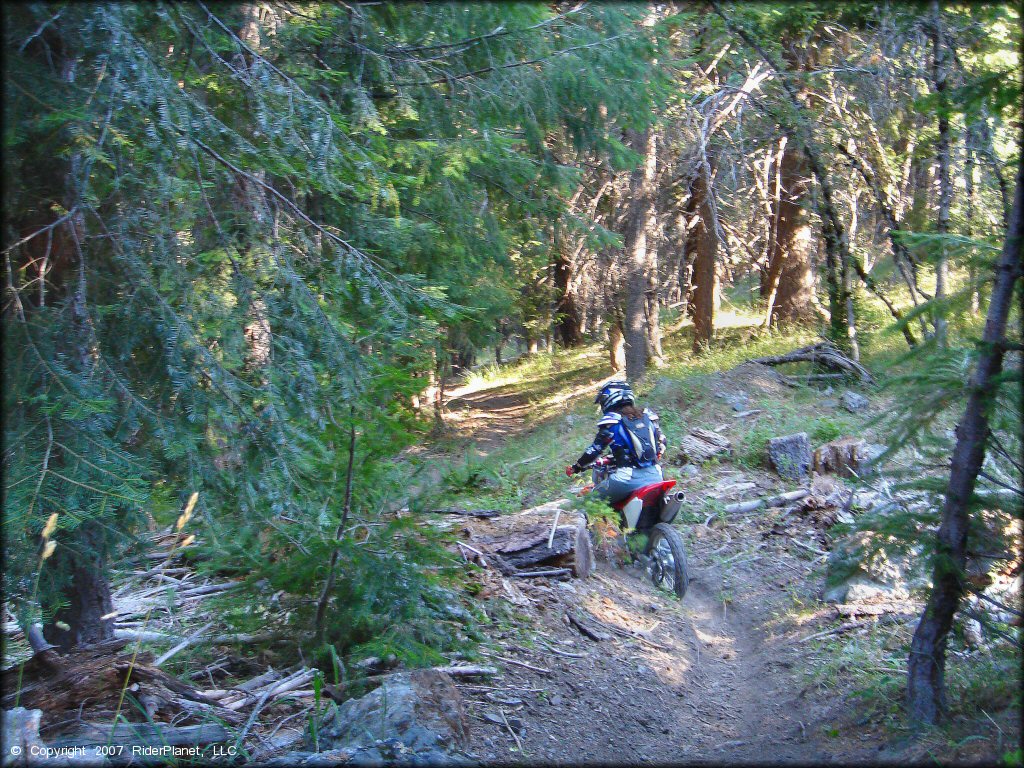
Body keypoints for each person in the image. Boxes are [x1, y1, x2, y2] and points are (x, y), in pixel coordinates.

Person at [565, 381, 667, 504]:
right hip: (656, 475)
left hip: (627, 479)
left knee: (589, 501)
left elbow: (594, 450)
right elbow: (662, 442)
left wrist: (577, 467)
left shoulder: (612, 422)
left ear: (609, 399)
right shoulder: (647, 416)